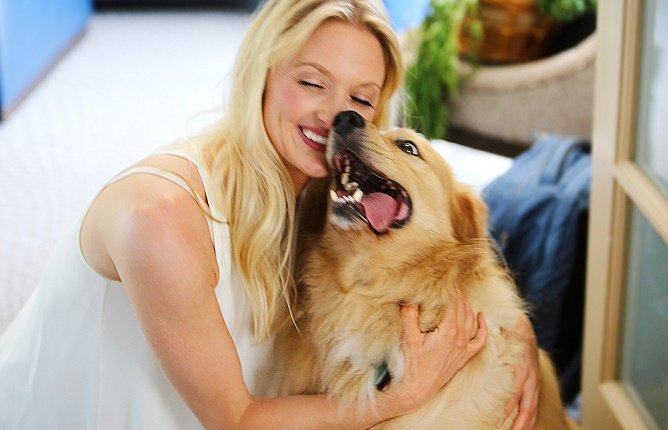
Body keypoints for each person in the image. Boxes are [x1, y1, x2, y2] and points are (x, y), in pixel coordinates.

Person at [0, 0, 540, 428]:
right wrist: (401, 397)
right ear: (260, 73)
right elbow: (236, 421)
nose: (337, 116)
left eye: (361, 97)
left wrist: (518, 338)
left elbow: (441, 258)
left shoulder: (326, 198)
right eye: (310, 82)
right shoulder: (159, 216)